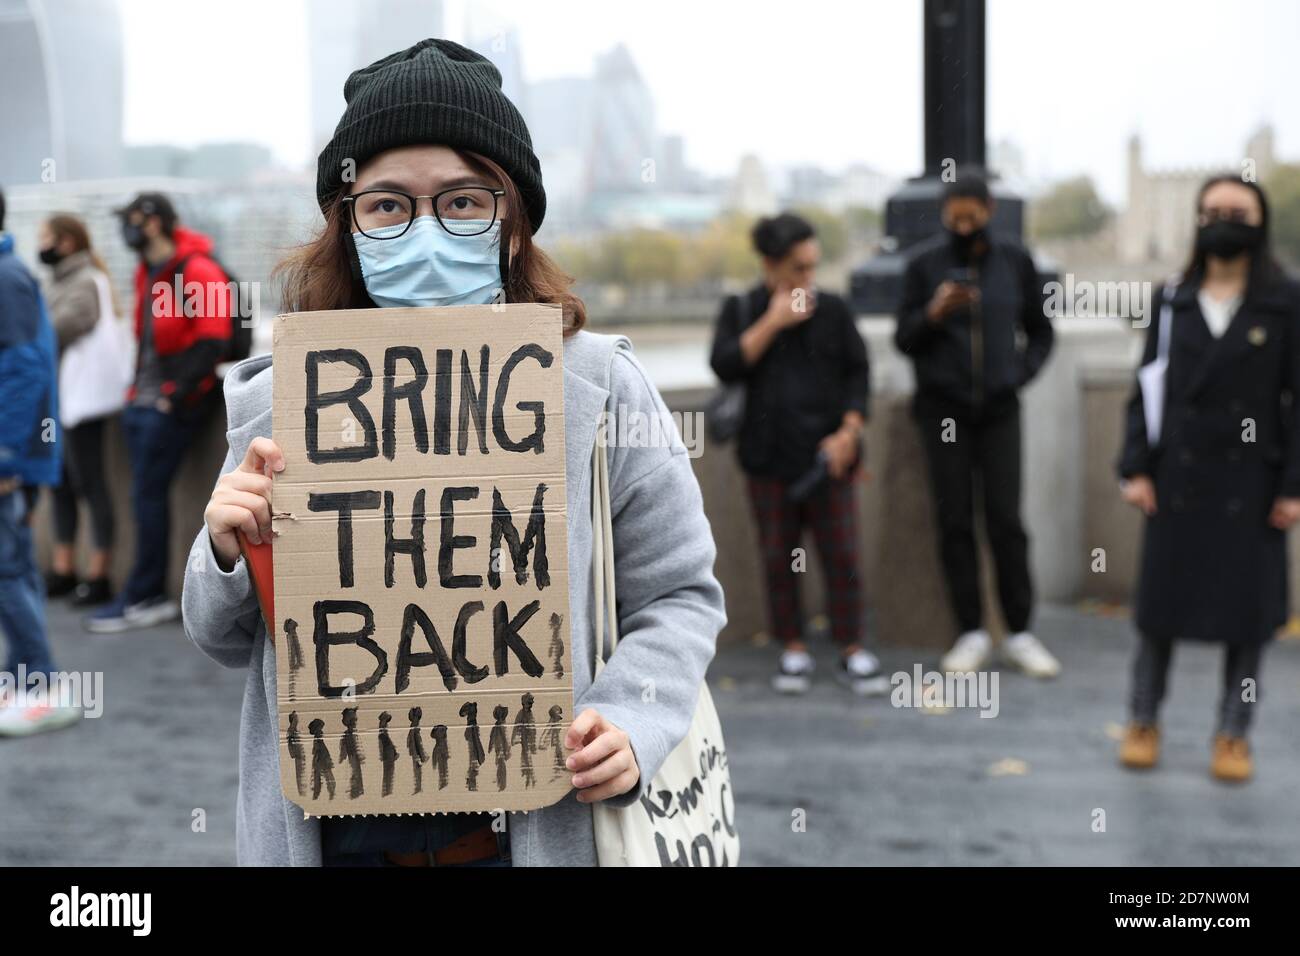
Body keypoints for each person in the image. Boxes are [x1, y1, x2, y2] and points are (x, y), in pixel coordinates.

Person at [181, 39, 726, 866]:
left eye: (464, 202)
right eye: (388, 205)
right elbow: (226, 640)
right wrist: (224, 548)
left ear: (513, 219)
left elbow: (680, 593)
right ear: (349, 223)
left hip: (533, 831)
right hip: (336, 839)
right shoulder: (281, 400)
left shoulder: (600, 386)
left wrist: (632, 718)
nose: (426, 229)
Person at [1117, 174, 1300, 783]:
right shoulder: (1171, 299)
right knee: (1158, 612)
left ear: (1260, 221)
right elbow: (1147, 389)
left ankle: (1233, 733)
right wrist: (1135, 468)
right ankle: (1142, 719)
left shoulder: (1286, 301)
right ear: (1197, 221)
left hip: (1253, 482)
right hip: (1179, 479)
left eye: (1237, 210)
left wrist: (1293, 487)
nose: (1225, 219)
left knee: (1248, 621)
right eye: (1214, 210)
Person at [710, 212, 884, 696]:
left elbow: (859, 372)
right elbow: (724, 363)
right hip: (767, 459)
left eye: (812, 267)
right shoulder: (743, 308)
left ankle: (851, 647)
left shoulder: (833, 310)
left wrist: (850, 431)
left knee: (842, 552)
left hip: (830, 457)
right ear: (770, 266)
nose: (808, 278)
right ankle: (793, 647)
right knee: (778, 556)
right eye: (798, 269)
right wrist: (773, 321)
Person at [894, 172, 1058, 677]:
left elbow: (1041, 330)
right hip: (943, 412)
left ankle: (1020, 630)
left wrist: (1017, 376)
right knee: (955, 520)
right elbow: (905, 338)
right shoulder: (924, 265)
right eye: (954, 217)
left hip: (1000, 409)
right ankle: (970, 630)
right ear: (944, 213)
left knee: (1006, 520)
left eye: (972, 216)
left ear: (989, 209)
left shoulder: (1016, 260)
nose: (963, 226)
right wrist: (934, 312)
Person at [87, 193, 233, 633]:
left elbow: (214, 341)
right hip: (142, 402)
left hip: (169, 406)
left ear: (153, 222)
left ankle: (146, 595)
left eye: (131, 220)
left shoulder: (197, 268)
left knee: (148, 497)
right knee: (143, 497)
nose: (126, 230)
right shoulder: (149, 272)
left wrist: (174, 394)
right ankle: (143, 590)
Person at [0, 187, 81, 736]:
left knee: (7, 571)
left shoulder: (5, 278)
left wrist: (5, 455)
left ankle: (42, 686)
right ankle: (25, 682)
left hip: (8, 457)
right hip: (14, 454)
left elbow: (25, 369)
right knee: (15, 567)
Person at [37, 214, 126, 607]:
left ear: (68, 242)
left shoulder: (87, 280)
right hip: (62, 400)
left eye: (47, 238)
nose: (42, 246)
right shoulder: (61, 281)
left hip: (82, 401)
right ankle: (63, 568)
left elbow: (60, 329)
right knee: (60, 483)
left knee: (90, 482)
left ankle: (99, 574)